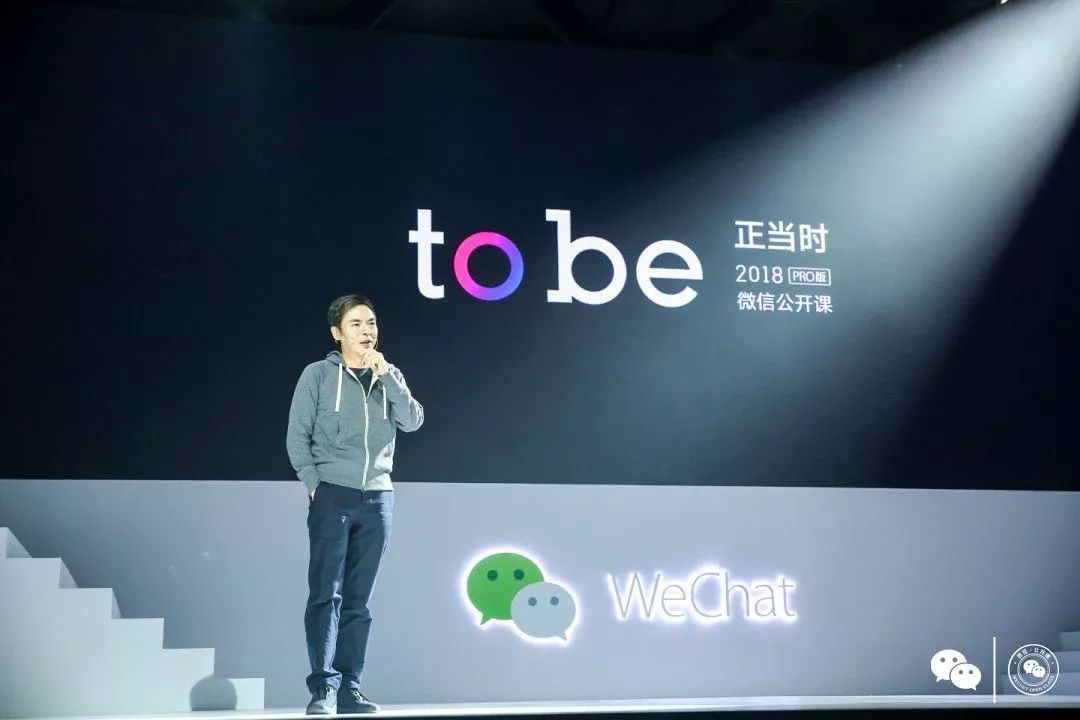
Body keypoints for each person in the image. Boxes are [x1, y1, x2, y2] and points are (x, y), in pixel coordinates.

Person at [286, 294, 425, 715]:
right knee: (325, 595)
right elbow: (297, 438)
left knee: (359, 601)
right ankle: (323, 689)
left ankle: (350, 687)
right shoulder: (317, 375)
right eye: (357, 324)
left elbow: (413, 421)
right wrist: (315, 485)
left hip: (378, 497)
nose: (367, 331)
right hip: (332, 493)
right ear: (337, 333)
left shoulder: (389, 375)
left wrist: (390, 378)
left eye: (371, 323)